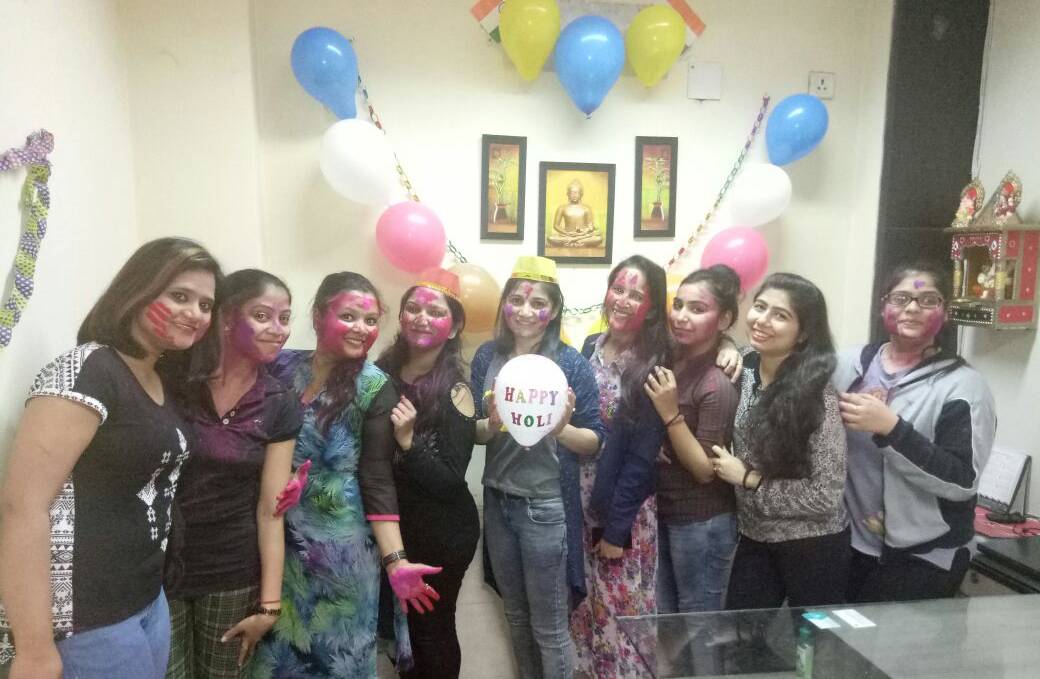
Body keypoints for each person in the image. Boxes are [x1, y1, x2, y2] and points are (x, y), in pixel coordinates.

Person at [0, 238, 222, 679]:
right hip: (87, 617)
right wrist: (34, 648)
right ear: (137, 291)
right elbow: (21, 507)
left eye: (206, 305)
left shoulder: (159, 377)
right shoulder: (90, 370)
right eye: (179, 296)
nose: (195, 313)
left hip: (145, 600)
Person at [247, 272, 441, 678]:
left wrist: (396, 561)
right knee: (275, 661)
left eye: (370, 321)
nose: (361, 329)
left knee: (338, 662)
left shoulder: (374, 387)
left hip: (341, 557)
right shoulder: (280, 367)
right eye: (349, 316)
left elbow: (377, 478)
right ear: (318, 316)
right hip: (276, 544)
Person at [164, 269, 303, 677]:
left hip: (231, 572)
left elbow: (270, 509)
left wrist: (269, 606)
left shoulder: (279, 402)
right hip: (159, 568)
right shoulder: (173, 380)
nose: (278, 329)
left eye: (284, 318)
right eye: (262, 316)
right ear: (226, 318)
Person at [471, 256, 606, 679]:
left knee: (550, 626)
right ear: (504, 304)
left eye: (538, 303)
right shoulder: (487, 357)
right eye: (516, 300)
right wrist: (491, 424)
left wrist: (560, 429)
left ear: (555, 309)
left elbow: (595, 440)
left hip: (546, 507)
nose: (525, 311)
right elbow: (473, 433)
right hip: (498, 501)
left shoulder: (570, 363)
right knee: (515, 615)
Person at [836, 263, 995, 602]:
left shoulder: (964, 387)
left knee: (898, 639)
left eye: (928, 300)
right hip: (850, 543)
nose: (912, 308)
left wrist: (891, 428)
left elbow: (962, 481)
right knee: (839, 635)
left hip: (925, 555)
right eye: (901, 298)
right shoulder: (846, 365)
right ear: (883, 307)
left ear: (946, 312)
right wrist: (729, 349)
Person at [712, 273, 849, 610]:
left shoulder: (817, 394)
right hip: (754, 535)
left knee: (813, 639)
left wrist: (749, 479)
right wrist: (726, 345)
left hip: (813, 543)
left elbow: (826, 495)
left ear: (803, 334)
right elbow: (718, 340)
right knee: (741, 632)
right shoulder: (744, 365)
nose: (762, 320)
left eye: (780, 315)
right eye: (760, 307)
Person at [375, 268, 479, 679]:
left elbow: (450, 480)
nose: (421, 317)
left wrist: (407, 442)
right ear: (401, 316)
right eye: (413, 308)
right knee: (400, 635)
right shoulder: (379, 374)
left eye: (435, 312)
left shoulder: (457, 391)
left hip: (441, 534)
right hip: (392, 529)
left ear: (453, 328)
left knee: (430, 631)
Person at [570, 255, 668, 678]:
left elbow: (643, 458)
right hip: (580, 504)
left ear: (652, 307)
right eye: (618, 289)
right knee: (587, 610)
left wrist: (616, 531)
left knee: (619, 618)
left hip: (621, 512)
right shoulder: (588, 347)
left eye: (636, 295)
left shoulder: (653, 363)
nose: (623, 300)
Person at [644, 265, 741, 614]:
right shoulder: (673, 355)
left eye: (697, 309)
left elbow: (704, 469)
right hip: (663, 509)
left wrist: (671, 415)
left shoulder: (717, 381)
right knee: (667, 618)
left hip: (702, 520)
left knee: (699, 621)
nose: (682, 316)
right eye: (679, 305)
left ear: (724, 318)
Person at [547, 180, 603, 248]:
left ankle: (571, 242)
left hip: (582, 236)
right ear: (567, 194)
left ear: (581, 194)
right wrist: (566, 233)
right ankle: (578, 242)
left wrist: (583, 232)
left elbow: (590, 226)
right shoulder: (562, 208)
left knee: (598, 238)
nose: (574, 195)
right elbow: (556, 225)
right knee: (551, 238)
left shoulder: (586, 208)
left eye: (576, 193)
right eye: (572, 193)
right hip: (567, 235)